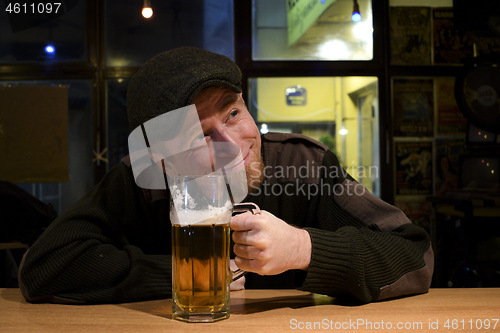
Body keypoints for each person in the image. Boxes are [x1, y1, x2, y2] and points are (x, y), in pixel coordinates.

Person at [18, 47, 433, 304]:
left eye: (233, 113)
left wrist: (304, 248)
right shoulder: (140, 182)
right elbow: (43, 268)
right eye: (199, 135)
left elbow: (415, 255)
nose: (232, 145)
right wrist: (191, 273)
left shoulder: (303, 163)